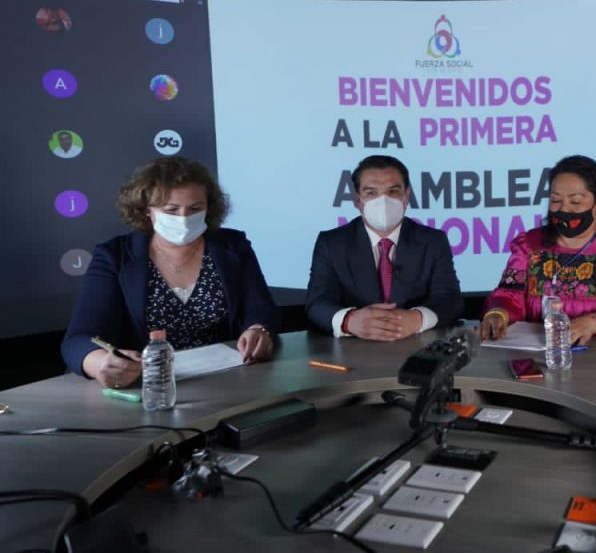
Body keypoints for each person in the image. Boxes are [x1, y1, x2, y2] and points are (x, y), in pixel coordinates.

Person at [61, 157, 279, 388]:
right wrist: (100, 363)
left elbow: (262, 309)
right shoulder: (115, 256)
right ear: (147, 210)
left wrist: (259, 330)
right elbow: (78, 340)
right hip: (147, 386)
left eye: (195, 208)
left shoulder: (232, 246)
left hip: (226, 378)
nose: (184, 218)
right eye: (171, 210)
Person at [481, 155, 596, 345]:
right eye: (555, 200)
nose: (564, 209)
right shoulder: (528, 244)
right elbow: (508, 295)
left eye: (576, 201)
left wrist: (592, 323)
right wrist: (498, 313)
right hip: (539, 350)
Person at [306, 155, 463, 340]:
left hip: (416, 347)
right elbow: (317, 304)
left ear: (406, 196)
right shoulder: (332, 243)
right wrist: (349, 321)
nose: (383, 201)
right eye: (371, 193)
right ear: (357, 200)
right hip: (353, 350)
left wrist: (418, 318)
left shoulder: (433, 241)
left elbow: (449, 299)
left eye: (393, 191)